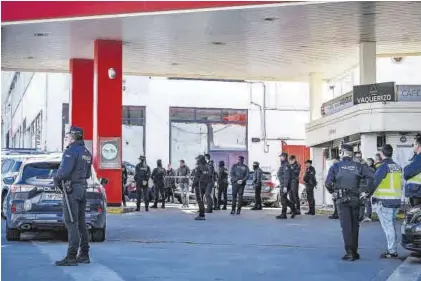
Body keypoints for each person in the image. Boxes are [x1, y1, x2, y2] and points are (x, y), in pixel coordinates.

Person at [325, 144, 375, 261]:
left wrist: (333, 192)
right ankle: (355, 251)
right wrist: (366, 192)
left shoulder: (336, 166)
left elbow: (328, 183)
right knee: (355, 225)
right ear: (352, 154)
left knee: (346, 226)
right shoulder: (359, 166)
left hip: (342, 199)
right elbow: (372, 178)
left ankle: (349, 252)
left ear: (342, 153)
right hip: (356, 198)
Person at [53, 126, 92, 266]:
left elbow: (63, 172)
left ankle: (71, 256)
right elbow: (88, 174)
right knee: (81, 223)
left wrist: (56, 180)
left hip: (71, 190)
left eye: (69, 135)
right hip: (82, 188)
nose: (68, 138)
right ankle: (84, 254)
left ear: (73, 136)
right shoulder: (87, 152)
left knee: (71, 222)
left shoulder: (71, 151)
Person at [372, 144, 402, 259]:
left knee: (388, 226)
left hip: (385, 201)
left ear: (381, 154)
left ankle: (392, 251)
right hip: (396, 200)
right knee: (391, 225)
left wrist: (366, 193)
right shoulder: (397, 166)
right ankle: (392, 248)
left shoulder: (383, 167)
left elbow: (375, 182)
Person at [276, 152, 296, 219]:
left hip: (285, 185)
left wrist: (285, 186)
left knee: (283, 199)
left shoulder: (286, 165)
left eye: (281, 157)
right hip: (283, 184)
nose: (280, 158)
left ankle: (283, 214)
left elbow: (287, 176)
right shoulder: (283, 164)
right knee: (284, 199)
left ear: (284, 157)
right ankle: (293, 209)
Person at [192, 155, 213, 220]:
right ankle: (208, 210)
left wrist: (192, 186)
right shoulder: (209, 166)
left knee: (200, 200)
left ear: (199, 160)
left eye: (197, 159)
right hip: (208, 184)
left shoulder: (198, 168)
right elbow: (211, 175)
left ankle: (201, 215)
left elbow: (196, 178)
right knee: (206, 197)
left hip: (200, 185)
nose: (196, 160)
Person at [404, 134, 421, 207]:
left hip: (417, 192)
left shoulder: (419, 158)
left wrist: (406, 168)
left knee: (417, 215)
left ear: (418, 145)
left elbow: (408, 172)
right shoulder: (416, 157)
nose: (412, 146)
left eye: (413, 144)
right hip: (416, 191)